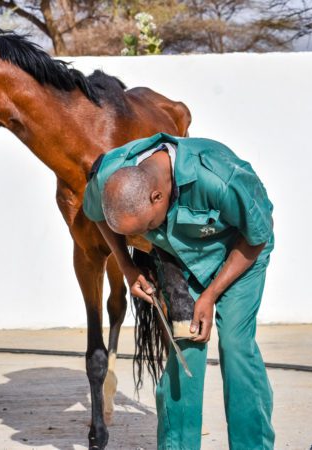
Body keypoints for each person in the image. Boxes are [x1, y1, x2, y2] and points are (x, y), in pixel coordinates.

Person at [82, 132, 275, 449]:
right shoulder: (109, 176)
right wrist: (129, 267)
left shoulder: (218, 179)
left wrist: (210, 295)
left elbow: (257, 237)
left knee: (236, 346)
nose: (142, 237)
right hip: (178, 257)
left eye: (145, 228)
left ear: (157, 196)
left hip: (239, 252)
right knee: (186, 348)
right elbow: (98, 215)